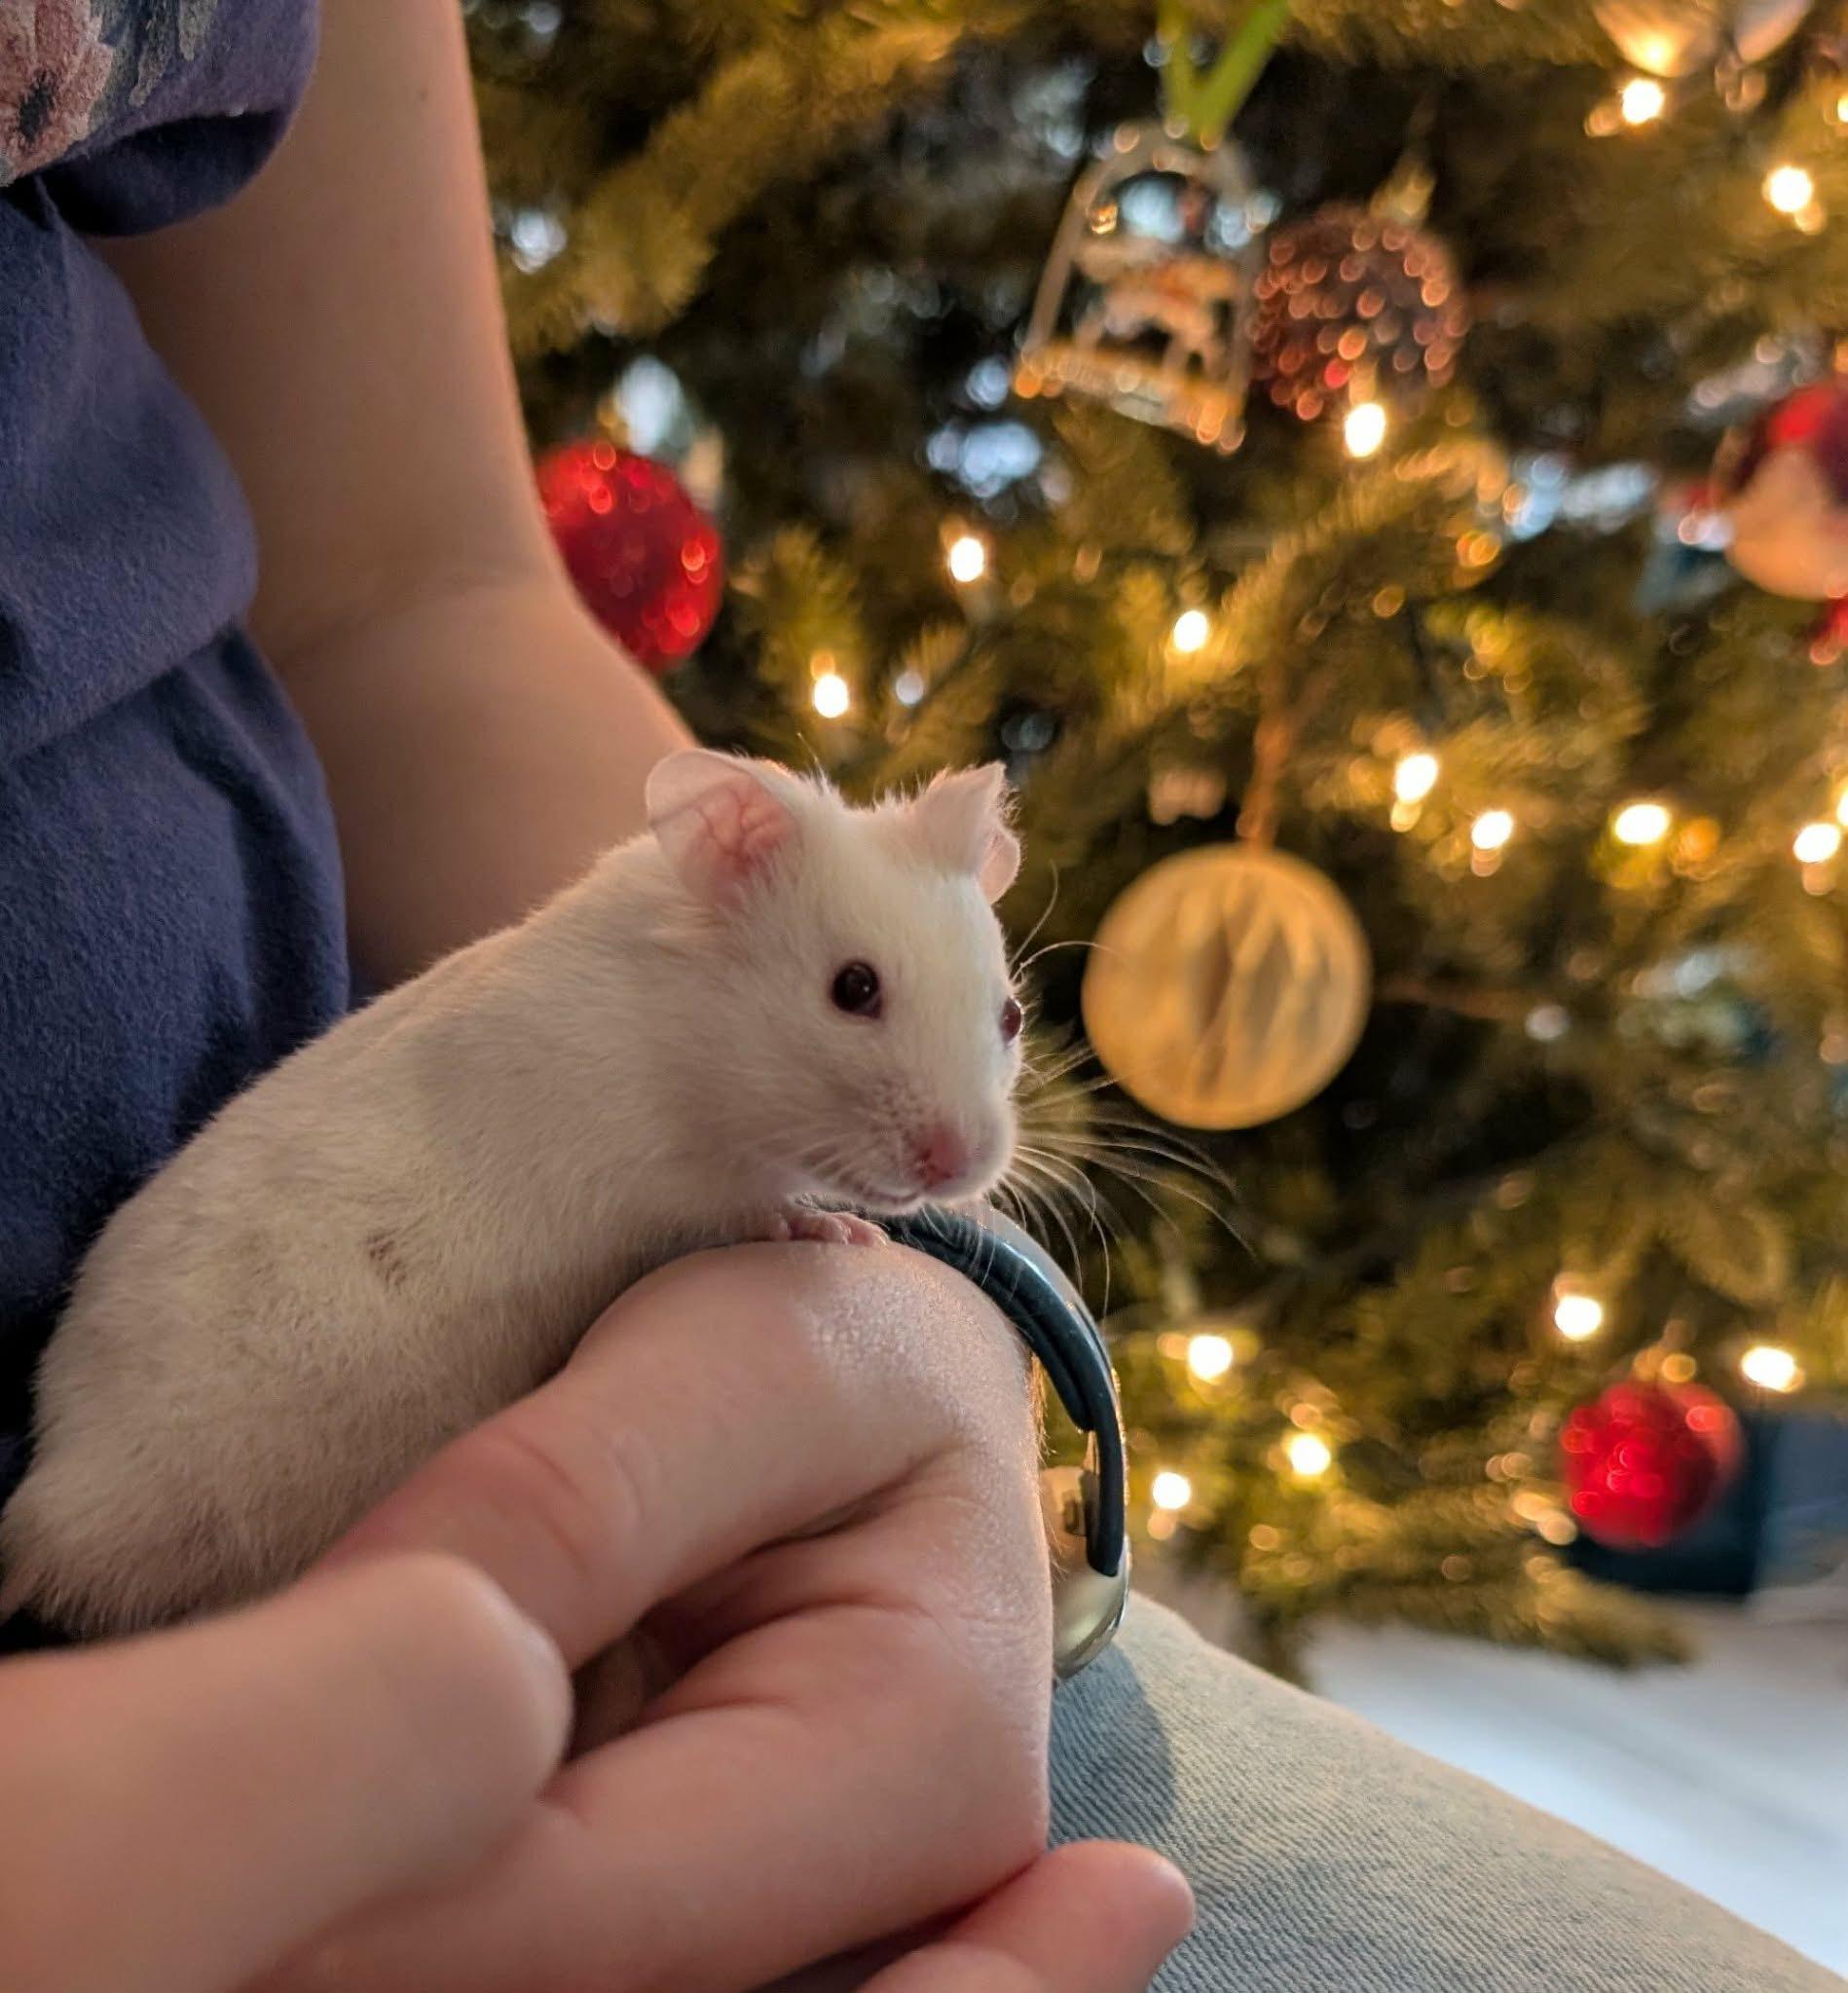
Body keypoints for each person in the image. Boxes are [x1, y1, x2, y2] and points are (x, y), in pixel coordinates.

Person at [0, 6, 1835, 1990]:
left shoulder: (798, 967)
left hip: (552, 1584)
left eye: (1001, 1042)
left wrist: (924, 1350)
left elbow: (418, 586)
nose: (970, 1133)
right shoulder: (633, 988)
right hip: (191, 1558)